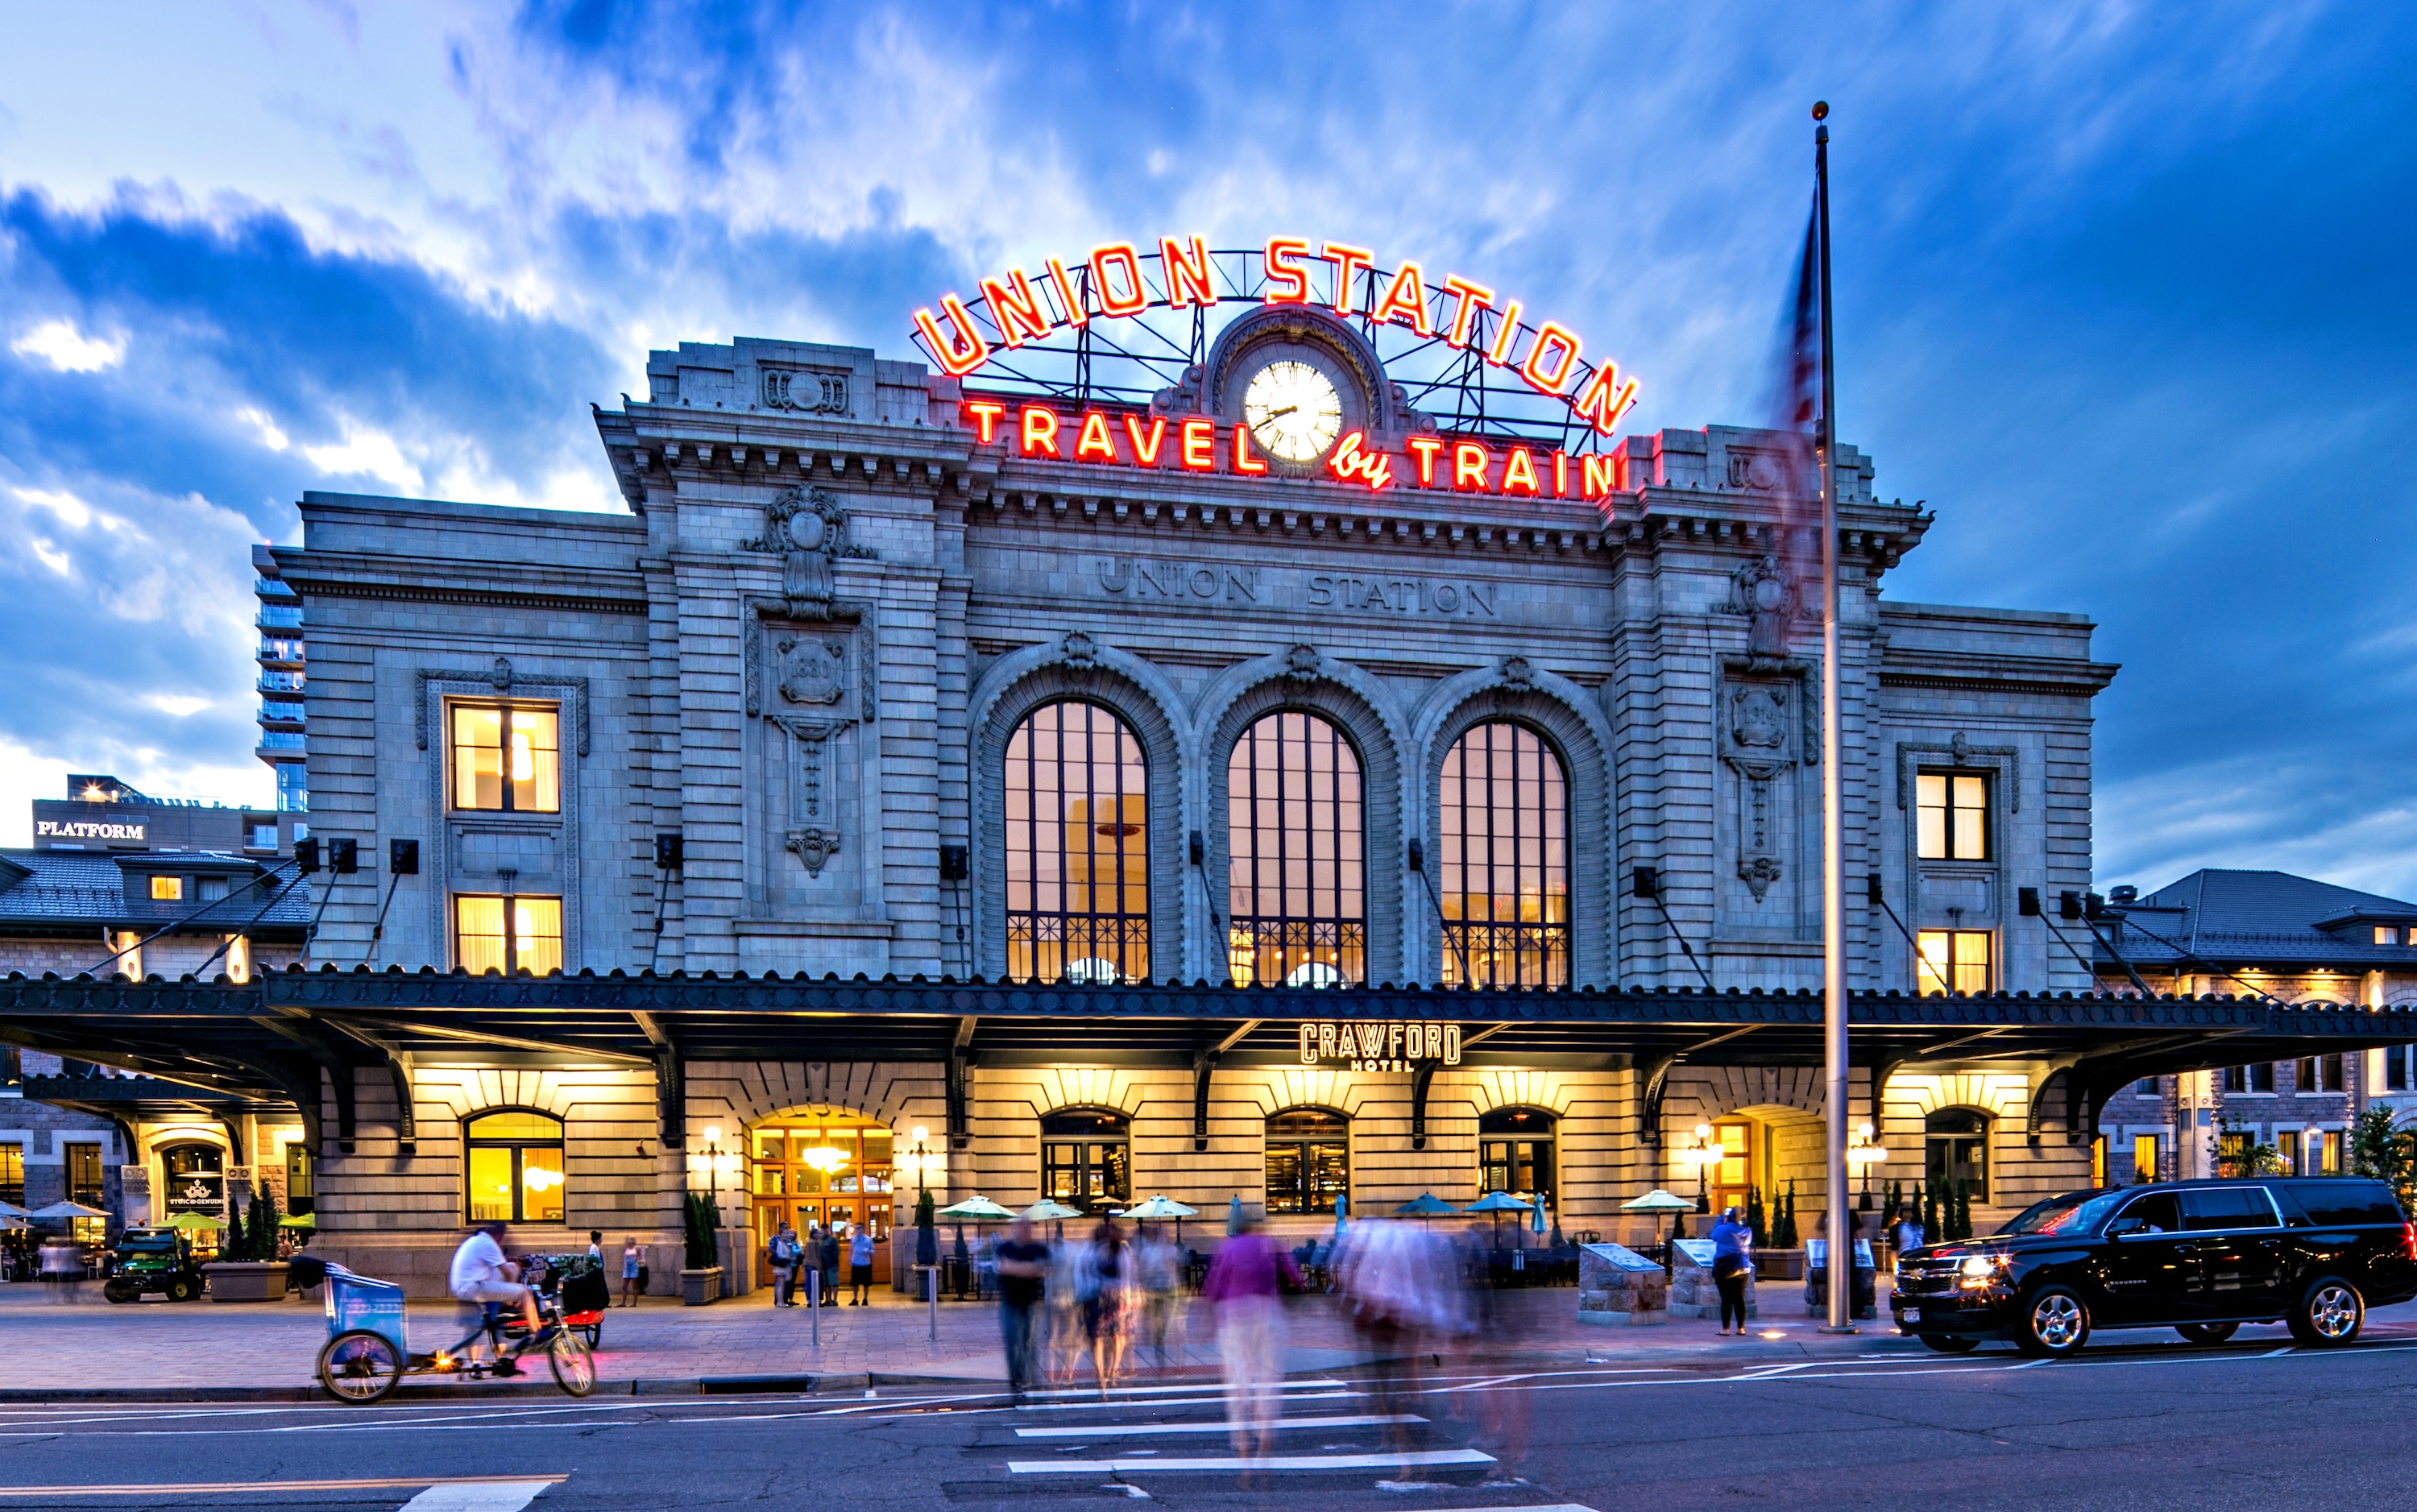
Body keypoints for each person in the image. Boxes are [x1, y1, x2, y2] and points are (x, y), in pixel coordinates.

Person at [1202, 1210, 1302, 1478]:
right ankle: (1265, 1429)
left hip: (1234, 1315)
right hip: (1267, 1312)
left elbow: (1213, 1288)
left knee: (1238, 1379)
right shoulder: (1271, 1244)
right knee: (1269, 1376)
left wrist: (1208, 1318)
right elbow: (1296, 1278)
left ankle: (1243, 1445)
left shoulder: (1227, 1247)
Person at [448, 1220, 545, 1372]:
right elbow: (507, 1273)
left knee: (513, 1267)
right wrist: (511, 1296)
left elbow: (510, 1269)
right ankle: (537, 1332)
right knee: (525, 1292)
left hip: (466, 1285)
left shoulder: (475, 1240)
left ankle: (516, 1309)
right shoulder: (489, 1243)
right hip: (473, 1288)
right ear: (500, 1234)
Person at [994, 1215, 1051, 1397]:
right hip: (1009, 1302)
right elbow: (1003, 1268)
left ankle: (1033, 1377)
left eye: (1027, 1226)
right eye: (1021, 1226)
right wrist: (1029, 1269)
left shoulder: (1039, 1248)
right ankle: (1016, 1377)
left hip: (1031, 1302)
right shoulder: (1004, 1247)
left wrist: (1015, 1267)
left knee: (1031, 1342)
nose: (1024, 1230)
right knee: (1013, 1342)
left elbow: (1043, 1270)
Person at [1080, 1219, 1130, 1393]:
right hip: (1099, 1297)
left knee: (1117, 1336)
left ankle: (1113, 1370)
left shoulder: (1121, 1252)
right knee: (1097, 1337)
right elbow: (1087, 1271)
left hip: (1117, 1298)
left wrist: (1128, 1297)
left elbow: (1128, 1275)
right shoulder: (1096, 1251)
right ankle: (1100, 1374)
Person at [1708, 1204, 1753, 1336]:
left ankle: (1725, 1329)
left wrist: (1722, 1218)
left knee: (1726, 1299)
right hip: (1743, 1267)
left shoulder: (1724, 1229)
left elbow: (1714, 1236)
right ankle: (1741, 1328)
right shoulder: (1748, 1230)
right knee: (1739, 1298)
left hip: (1725, 1267)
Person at [767, 1220, 801, 1307]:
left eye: (787, 1228)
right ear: (781, 1229)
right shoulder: (777, 1240)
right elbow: (775, 1251)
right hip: (780, 1264)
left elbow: (792, 1249)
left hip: (786, 1265)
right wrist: (787, 1256)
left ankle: (783, 1300)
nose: (787, 1233)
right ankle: (779, 1301)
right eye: (785, 1228)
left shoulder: (787, 1241)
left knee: (784, 1283)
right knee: (780, 1284)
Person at [848, 1223, 876, 1305]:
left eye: (859, 1228)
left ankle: (865, 1299)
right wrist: (850, 1259)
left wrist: (868, 1251)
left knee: (866, 1283)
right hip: (856, 1263)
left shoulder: (868, 1239)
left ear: (863, 1229)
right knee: (855, 1283)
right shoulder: (853, 1239)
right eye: (856, 1228)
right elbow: (850, 1249)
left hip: (865, 1263)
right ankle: (855, 1299)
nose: (857, 1230)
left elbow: (873, 1251)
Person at [818, 1223, 842, 1307]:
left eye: (825, 1230)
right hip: (823, 1264)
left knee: (834, 1282)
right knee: (826, 1283)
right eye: (822, 1230)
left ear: (828, 1230)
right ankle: (828, 1299)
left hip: (832, 1264)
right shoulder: (820, 1240)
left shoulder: (832, 1240)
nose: (824, 1232)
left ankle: (835, 1300)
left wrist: (835, 1262)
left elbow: (837, 1251)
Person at [620, 1237, 643, 1307]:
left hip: (634, 1268)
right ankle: (623, 1302)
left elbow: (641, 1257)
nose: (627, 1241)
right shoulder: (626, 1249)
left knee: (634, 1286)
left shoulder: (637, 1248)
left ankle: (634, 1303)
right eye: (627, 1240)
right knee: (624, 1286)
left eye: (629, 1239)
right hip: (627, 1268)